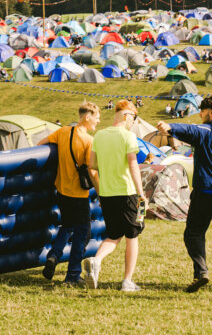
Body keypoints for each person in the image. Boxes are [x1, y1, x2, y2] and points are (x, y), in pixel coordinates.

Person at [156, 95, 212, 292]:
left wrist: (169, 127)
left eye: (202, 112)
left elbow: (190, 130)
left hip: (207, 189)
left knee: (193, 233)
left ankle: (201, 273)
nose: (200, 115)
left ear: (211, 113)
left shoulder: (206, 130)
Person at [83, 100, 146, 292]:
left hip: (107, 194)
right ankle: (127, 281)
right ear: (126, 115)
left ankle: (96, 260)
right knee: (133, 236)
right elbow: (133, 165)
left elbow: (92, 165)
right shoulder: (128, 136)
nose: (133, 123)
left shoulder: (99, 136)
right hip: (128, 193)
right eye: (133, 118)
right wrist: (141, 194)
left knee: (114, 235)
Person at [38, 101, 101, 286]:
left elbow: (40, 144)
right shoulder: (89, 141)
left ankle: (54, 256)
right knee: (82, 233)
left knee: (66, 226)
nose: (97, 122)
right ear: (87, 117)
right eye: (96, 118)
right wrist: (100, 192)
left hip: (61, 190)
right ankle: (73, 274)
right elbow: (91, 170)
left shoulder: (63, 131)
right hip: (78, 195)